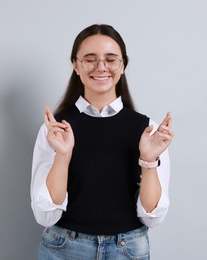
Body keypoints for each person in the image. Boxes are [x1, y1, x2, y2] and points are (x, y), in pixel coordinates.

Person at [31, 24, 174, 260]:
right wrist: (63, 155)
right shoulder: (56, 130)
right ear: (75, 65)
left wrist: (149, 159)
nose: (101, 67)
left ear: (123, 65)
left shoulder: (149, 131)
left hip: (127, 249)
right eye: (90, 59)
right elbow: (46, 216)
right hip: (64, 248)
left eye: (110, 59)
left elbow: (151, 216)